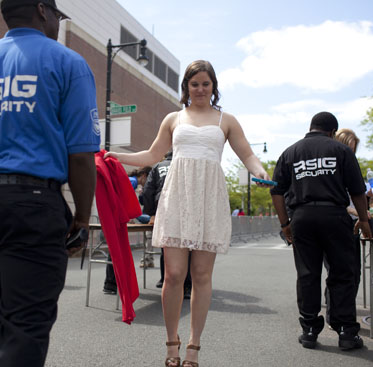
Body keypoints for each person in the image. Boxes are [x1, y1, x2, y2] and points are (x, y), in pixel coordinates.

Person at [0, 1, 99, 366]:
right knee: (25, 325)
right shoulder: (67, 63)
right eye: (58, 15)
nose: (58, 22)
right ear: (43, 10)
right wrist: (81, 217)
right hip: (32, 204)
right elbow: (80, 154)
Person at [105, 60, 270, 367]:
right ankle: (171, 341)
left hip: (209, 198)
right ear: (186, 87)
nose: (200, 89)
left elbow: (247, 153)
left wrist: (259, 171)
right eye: (194, 84)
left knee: (202, 275)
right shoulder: (173, 118)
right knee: (173, 275)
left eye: (206, 84)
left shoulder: (227, 120)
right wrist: (119, 156)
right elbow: (153, 155)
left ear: (214, 86)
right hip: (177, 196)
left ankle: (194, 344)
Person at [270, 112, 372, 351]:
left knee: (308, 274)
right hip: (335, 216)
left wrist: (285, 224)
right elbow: (357, 189)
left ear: (311, 127)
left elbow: (276, 190)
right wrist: (364, 219)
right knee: (343, 273)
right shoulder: (341, 151)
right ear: (332, 132)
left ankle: (309, 330)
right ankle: (346, 331)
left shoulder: (290, 152)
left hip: (302, 218)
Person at [143, 151, 192, 298]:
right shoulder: (186, 164)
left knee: (167, 245)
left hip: (163, 206)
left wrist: (151, 212)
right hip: (185, 207)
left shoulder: (158, 166)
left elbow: (148, 191)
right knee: (185, 246)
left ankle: (165, 279)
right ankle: (187, 285)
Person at [103, 166, 151, 294]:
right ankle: (111, 284)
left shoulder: (131, 181)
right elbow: (121, 199)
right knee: (117, 251)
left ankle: (110, 284)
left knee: (114, 250)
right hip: (116, 218)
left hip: (113, 216)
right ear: (144, 175)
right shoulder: (132, 181)